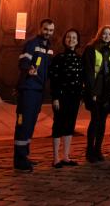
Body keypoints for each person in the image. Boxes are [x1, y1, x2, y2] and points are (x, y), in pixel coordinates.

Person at [13, 18, 55, 171]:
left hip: (38, 90)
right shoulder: (32, 44)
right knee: (23, 123)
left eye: (50, 30)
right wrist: (28, 69)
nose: (48, 33)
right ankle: (19, 159)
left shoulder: (49, 47)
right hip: (28, 89)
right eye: (45, 29)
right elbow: (23, 62)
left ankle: (25, 155)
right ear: (40, 28)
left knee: (30, 123)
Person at [82, 25, 110, 163]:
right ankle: (89, 150)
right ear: (99, 34)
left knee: (103, 121)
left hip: (108, 91)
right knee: (95, 120)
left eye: (109, 34)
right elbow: (88, 71)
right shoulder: (91, 49)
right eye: (104, 34)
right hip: (95, 90)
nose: (106, 36)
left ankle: (98, 149)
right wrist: (91, 91)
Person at [49, 28, 83, 168]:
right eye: (69, 37)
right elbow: (54, 79)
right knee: (58, 125)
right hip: (61, 96)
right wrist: (55, 97)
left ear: (77, 41)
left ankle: (66, 156)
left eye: (74, 38)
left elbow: (81, 79)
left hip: (74, 97)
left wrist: (81, 96)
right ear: (64, 40)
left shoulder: (79, 58)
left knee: (70, 125)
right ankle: (56, 158)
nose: (71, 40)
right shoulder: (59, 58)